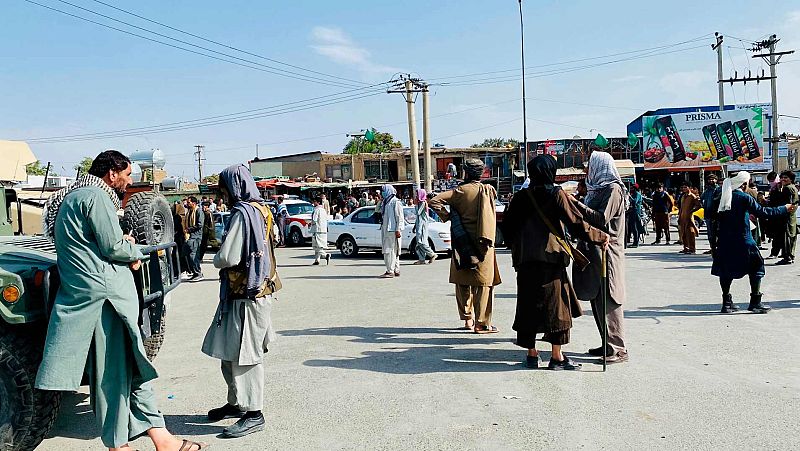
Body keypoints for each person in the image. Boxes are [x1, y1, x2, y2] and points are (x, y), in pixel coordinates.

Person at [37, 150, 206, 451]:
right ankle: (118, 445)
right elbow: (113, 246)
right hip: (105, 303)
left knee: (135, 370)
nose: (128, 182)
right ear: (112, 173)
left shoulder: (74, 197)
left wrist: (124, 246)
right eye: (127, 175)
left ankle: (162, 439)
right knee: (113, 376)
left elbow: (95, 243)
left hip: (98, 297)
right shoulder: (96, 197)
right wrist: (134, 252)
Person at [504, 156, 609, 370]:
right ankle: (557, 357)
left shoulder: (520, 197)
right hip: (550, 260)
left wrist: (521, 245)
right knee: (557, 306)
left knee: (527, 305)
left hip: (525, 260)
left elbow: (507, 227)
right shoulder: (556, 194)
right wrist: (600, 237)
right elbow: (576, 224)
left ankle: (532, 355)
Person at [202, 164, 281, 438]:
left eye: (224, 190)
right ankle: (236, 402)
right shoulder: (262, 210)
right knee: (229, 350)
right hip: (249, 292)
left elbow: (229, 256)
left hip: (247, 294)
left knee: (246, 355)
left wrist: (215, 258)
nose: (222, 196)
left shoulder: (242, 214)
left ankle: (254, 413)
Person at [430, 159, 501, 333]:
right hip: (483, 242)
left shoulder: (459, 192)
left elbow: (434, 201)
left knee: (462, 282)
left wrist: (448, 216)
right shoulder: (488, 190)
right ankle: (482, 323)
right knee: (484, 284)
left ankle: (468, 320)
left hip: (462, 242)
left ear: (466, 172)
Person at [572, 151, 629, 364]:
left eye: (590, 167)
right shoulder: (597, 190)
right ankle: (607, 343)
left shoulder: (613, 189)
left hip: (608, 253)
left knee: (609, 299)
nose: (587, 171)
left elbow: (601, 218)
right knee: (597, 299)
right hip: (595, 253)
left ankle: (618, 348)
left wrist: (576, 204)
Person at [709, 171, 795, 313]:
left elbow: (711, 216)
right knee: (756, 268)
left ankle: (726, 303)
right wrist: (784, 208)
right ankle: (755, 302)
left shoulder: (719, 196)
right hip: (744, 240)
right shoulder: (744, 197)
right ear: (744, 184)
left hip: (725, 241)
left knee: (725, 271)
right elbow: (763, 212)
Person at [378, 184, 404, 278]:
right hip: (386, 229)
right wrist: (380, 201)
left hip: (392, 230)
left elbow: (399, 217)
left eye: (383, 191)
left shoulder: (395, 202)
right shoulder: (385, 202)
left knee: (389, 251)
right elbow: (377, 211)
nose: (382, 193)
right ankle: (396, 269)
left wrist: (398, 229)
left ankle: (390, 271)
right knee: (393, 251)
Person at [774, 171, 798, 265]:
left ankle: (787, 257)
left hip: (787, 215)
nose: (783, 179)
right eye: (782, 178)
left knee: (786, 236)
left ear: (791, 179)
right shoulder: (793, 187)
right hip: (791, 215)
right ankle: (790, 256)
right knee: (791, 236)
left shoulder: (787, 188)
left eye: (786, 177)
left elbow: (786, 203)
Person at [413, 188, 438, 265]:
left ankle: (432, 254)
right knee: (419, 243)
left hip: (423, 226)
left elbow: (418, 213)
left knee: (422, 242)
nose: (416, 196)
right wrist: (415, 226)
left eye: (417, 194)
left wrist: (415, 205)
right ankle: (421, 259)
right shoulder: (420, 203)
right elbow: (418, 218)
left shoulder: (423, 203)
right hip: (419, 225)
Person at [677, 184, 701, 254]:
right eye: (683, 187)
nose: (684, 188)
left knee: (690, 233)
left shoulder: (692, 196)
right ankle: (686, 248)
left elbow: (698, 205)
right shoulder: (683, 196)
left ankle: (692, 249)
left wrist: (692, 211)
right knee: (683, 233)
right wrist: (679, 216)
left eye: (685, 187)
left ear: (690, 188)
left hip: (689, 218)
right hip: (682, 217)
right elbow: (681, 207)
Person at [185, 196, 205, 281]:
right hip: (190, 236)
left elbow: (200, 225)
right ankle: (194, 272)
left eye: (188, 202)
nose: (187, 204)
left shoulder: (198, 211)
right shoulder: (190, 211)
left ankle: (198, 273)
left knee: (193, 255)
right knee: (188, 255)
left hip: (196, 236)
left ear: (193, 203)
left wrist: (189, 229)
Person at [701, 174, 720, 254]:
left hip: (717, 215)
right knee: (710, 234)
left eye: (713, 179)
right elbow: (701, 199)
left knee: (718, 233)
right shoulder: (707, 191)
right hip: (708, 215)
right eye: (709, 179)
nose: (711, 181)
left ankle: (719, 249)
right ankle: (712, 248)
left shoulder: (719, 190)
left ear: (716, 180)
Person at [310, 196, 331, 265]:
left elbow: (314, 220)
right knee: (319, 246)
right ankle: (317, 260)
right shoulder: (323, 210)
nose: (313, 203)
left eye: (315, 201)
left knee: (317, 246)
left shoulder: (317, 210)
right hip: (323, 230)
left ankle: (325, 255)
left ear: (318, 202)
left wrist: (310, 223)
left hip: (317, 230)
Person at [625, 184, 644, 248]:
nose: (631, 189)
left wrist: (629, 196)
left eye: (632, 188)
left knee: (635, 227)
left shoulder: (637, 194)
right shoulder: (634, 194)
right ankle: (634, 241)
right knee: (632, 227)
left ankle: (636, 242)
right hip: (631, 212)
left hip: (636, 212)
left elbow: (634, 201)